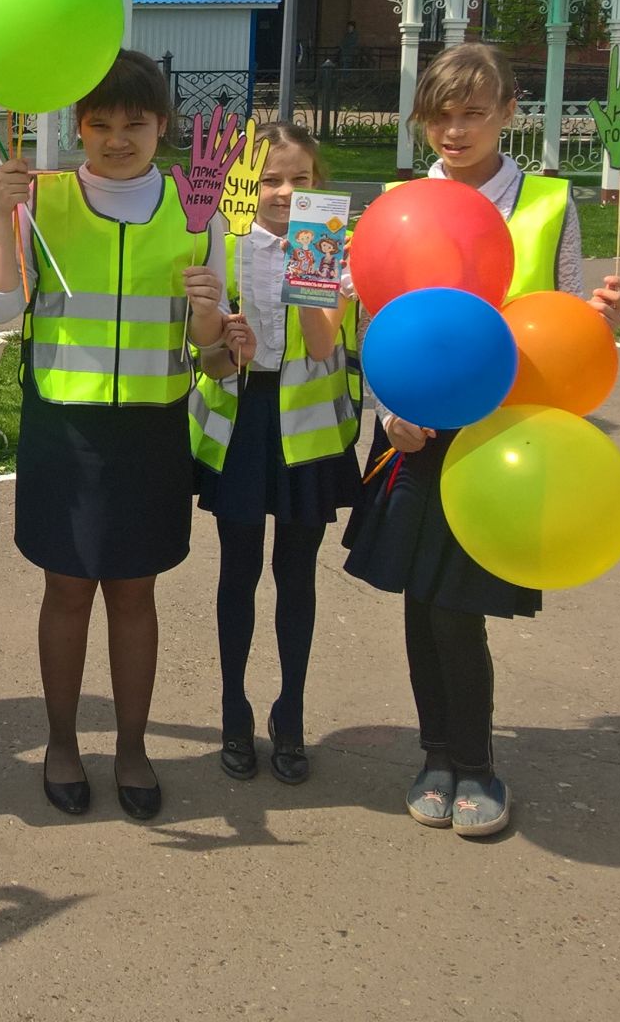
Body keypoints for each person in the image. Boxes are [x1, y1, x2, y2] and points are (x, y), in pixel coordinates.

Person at [342, 43, 620, 838]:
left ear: (510, 112)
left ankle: (475, 765)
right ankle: (436, 756)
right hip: (414, 428)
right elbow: (374, 318)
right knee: (421, 600)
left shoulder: (546, 202)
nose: (455, 129)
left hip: (509, 435)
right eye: (440, 113)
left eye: (473, 112)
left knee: (457, 608)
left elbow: (566, 314)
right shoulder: (399, 201)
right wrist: (387, 410)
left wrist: (600, 323)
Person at [0, 50, 227, 821]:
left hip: (152, 432)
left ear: (162, 126)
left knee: (135, 591)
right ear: (77, 126)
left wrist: (212, 311)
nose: (118, 138)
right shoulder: (42, 198)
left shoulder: (196, 209)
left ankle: (131, 746)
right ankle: (61, 741)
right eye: (99, 123)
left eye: (135, 123)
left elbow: (213, 353)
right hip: (67, 430)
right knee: (66, 588)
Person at [189, 121, 361, 785]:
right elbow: (203, 346)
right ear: (244, 186)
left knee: (298, 575)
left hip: (307, 429)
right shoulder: (223, 242)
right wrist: (224, 334)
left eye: (301, 179)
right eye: (269, 179)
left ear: (319, 184)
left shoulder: (329, 245)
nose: (285, 192)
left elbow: (322, 347)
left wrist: (309, 262)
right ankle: (234, 712)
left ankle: (289, 717)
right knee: (238, 572)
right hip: (240, 420)